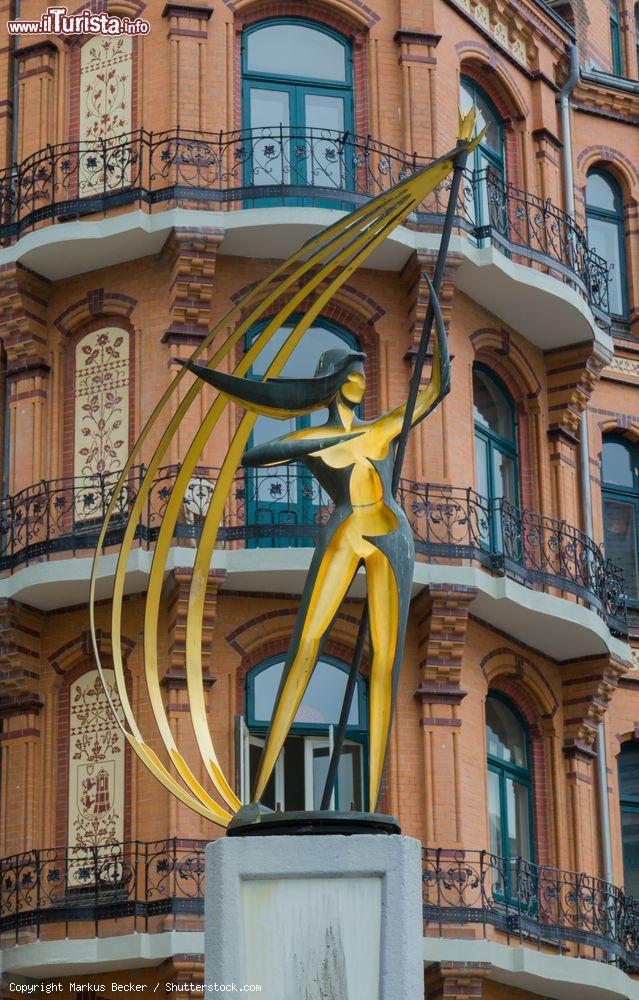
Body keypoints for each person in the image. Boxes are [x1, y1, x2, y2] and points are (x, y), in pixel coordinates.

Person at [181, 286, 449, 810]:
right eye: (345, 374)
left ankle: (371, 805)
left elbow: (437, 388)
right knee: (307, 642)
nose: (356, 381)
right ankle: (258, 797)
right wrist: (319, 437)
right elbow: (257, 454)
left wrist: (437, 319)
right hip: (346, 530)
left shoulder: (382, 429)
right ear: (328, 383)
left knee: (388, 659)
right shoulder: (316, 441)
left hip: (391, 535)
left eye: (361, 375)